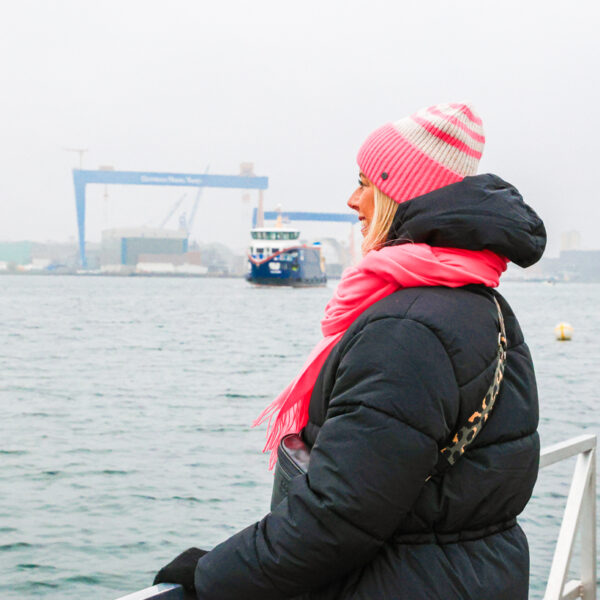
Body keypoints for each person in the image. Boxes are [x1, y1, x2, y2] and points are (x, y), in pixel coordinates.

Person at [154, 102, 546, 599]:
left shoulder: (407, 330)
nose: (352, 199)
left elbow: (339, 515)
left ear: (399, 192)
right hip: (468, 575)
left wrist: (209, 573)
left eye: (365, 182)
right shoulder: (481, 304)